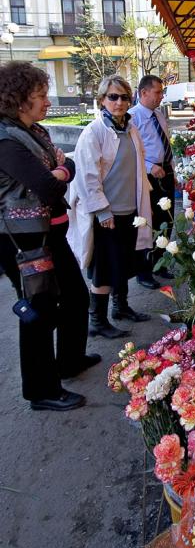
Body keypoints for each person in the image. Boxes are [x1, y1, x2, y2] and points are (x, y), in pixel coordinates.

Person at [0, 61, 99, 411]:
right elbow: (46, 184)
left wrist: (61, 168)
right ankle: (41, 390)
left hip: (50, 232)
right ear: (19, 99)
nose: (47, 102)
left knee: (74, 295)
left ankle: (68, 361)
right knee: (39, 310)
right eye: (40, 96)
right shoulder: (6, 139)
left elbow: (65, 165)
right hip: (24, 241)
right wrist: (59, 169)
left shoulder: (34, 131)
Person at [67, 74, 153, 337]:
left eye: (124, 97)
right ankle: (98, 321)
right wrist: (103, 211)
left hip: (131, 210)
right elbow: (87, 176)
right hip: (108, 214)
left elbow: (138, 168)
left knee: (125, 262)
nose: (119, 102)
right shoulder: (93, 132)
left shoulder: (131, 129)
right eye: (113, 97)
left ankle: (121, 307)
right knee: (104, 268)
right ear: (102, 100)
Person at [129, 74, 175, 287]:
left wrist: (172, 169)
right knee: (148, 223)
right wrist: (150, 166)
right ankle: (143, 271)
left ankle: (161, 263)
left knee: (167, 220)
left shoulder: (159, 115)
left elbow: (166, 145)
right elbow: (132, 152)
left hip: (165, 172)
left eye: (161, 92)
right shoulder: (133, 117)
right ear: (143, 92)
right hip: (147, 174)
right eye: (157, 92)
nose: (161, 96)